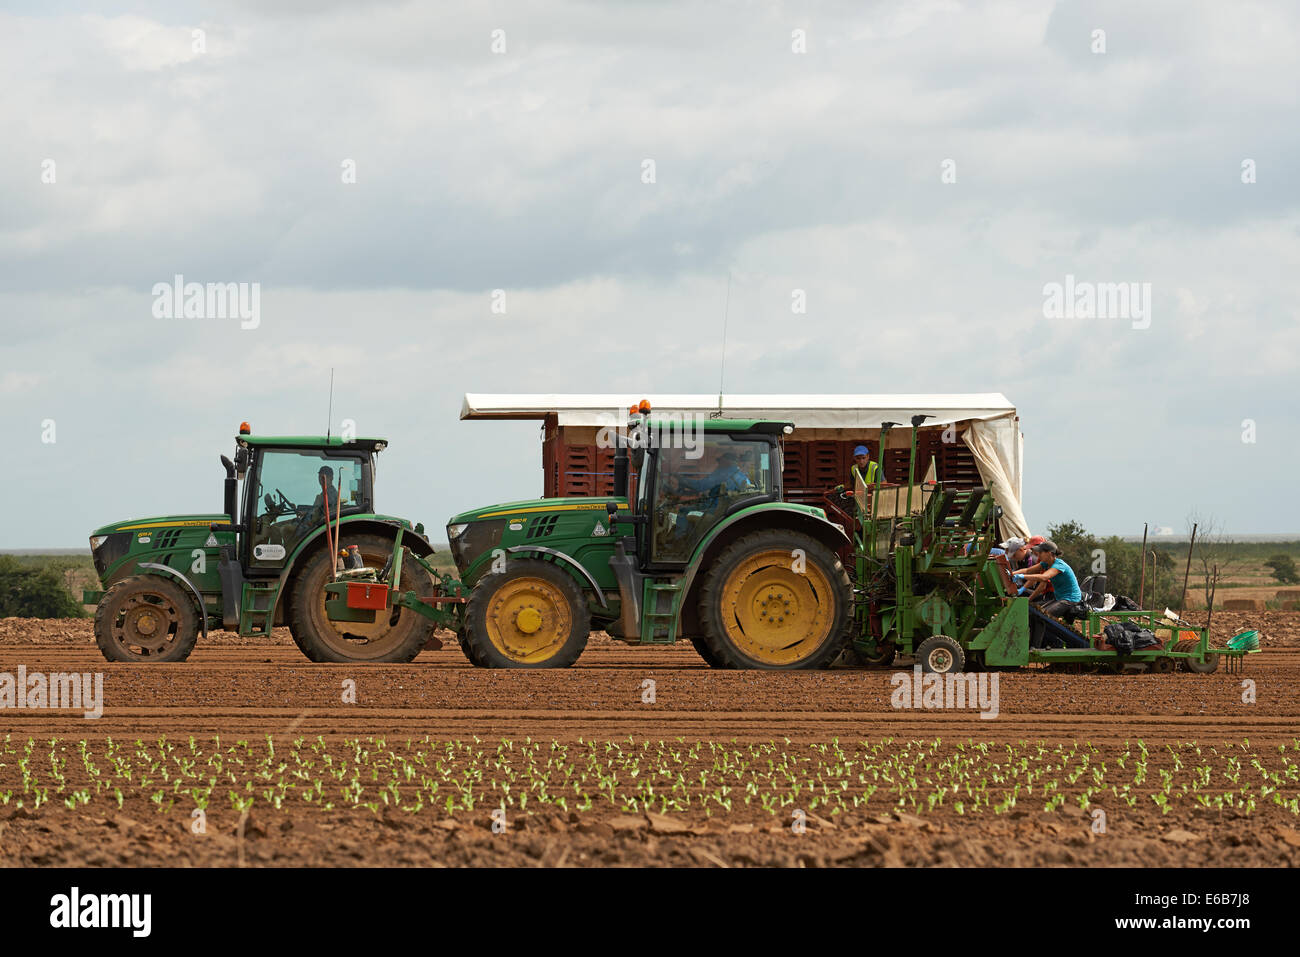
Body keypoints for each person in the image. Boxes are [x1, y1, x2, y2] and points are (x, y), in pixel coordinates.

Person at [1018, 541, 1082, 615]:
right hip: (1059, 598)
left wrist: (1022, 576)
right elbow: (1028, 570)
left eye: (1041, 552)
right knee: (1035, 611)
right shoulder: (1045, 564)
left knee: (1044, 615)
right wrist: (1012, 574)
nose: (1038, 554)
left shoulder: (1059, 565)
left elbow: (1044, 577)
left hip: (1070, 599)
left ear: (1050, 553)